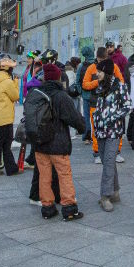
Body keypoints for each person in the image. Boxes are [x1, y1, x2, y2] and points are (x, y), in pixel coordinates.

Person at [30, 62, 87, 220]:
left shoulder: (36, 93)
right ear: (57, 78)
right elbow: (74, 118)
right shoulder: (61, 96)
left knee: (44, 176)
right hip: (57, 143)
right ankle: (69, 208)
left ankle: (47, 208)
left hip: (40, 144)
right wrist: (83, 128)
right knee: (64, 174)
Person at [93, 56, 129, 211]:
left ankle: (105, 196)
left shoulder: (120, 86)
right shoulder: (100, 87)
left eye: (99, 72)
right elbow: (98, 107)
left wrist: (110, 117)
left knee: (108, 162)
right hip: (100, 131)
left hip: (114, 130)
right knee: (107, 161)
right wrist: (96, 119)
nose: (97, 74)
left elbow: (127, 106)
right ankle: (115, 192)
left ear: (106, 72)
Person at [83, 48, 126, 164]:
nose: (102, 61)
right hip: (96, 102)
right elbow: (85, 84)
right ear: (96, 57)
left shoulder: (113, 67)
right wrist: (98, 81)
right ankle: (97, 153)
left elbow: (121, 81)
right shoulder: (91, 68)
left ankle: (116, 152)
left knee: (116, 128)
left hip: (112, 103)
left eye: (104, 59)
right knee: (96, 129)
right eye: (100, 59)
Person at [0, 55, 21, 176]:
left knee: (2, 143)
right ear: (8, 69)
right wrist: (16, 82)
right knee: (2, 144)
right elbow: (16, 96)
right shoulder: (7, 82)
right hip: (5, 118)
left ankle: (10, 168)